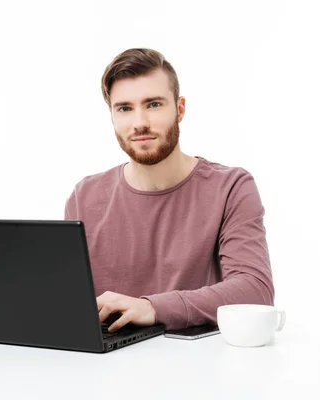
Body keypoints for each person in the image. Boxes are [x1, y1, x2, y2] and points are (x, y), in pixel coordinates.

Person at [64, 48, 275, 333]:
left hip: (199, 368)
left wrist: (152, 307)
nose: (139, 122)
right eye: (125, 108)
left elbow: (255, 291)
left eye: (153, 104)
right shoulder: (84, 197)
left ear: (180, 109)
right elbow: (68, 304)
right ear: (112, 115)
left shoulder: (231, 188)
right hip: (105, 368)